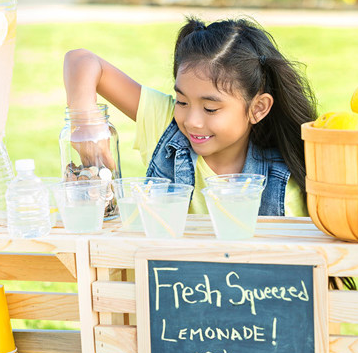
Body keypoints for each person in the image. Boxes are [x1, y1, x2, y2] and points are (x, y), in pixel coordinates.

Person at [62, 16, 317, 217]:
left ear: (258, 108)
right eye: (182, 101)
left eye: (210, 109)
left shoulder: (287, 183)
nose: (191, 120)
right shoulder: (164, 123)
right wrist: (85, 123)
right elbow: (81, 60)